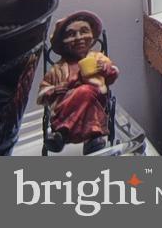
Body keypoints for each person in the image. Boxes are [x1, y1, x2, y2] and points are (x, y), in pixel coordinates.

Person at [38, 11, 116, 153]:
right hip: (65, 109)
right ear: (63, 42)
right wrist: (54, 90)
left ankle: (62, 132)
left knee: (86, 91)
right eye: (71, 34)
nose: (79, 38)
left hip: (96, 101)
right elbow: (41, 94)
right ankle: (92, 136)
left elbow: (113, 74)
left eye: (84, 31)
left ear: (92, 35)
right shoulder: (59, 68)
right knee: (85, 92)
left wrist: (105, 69)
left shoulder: (98, 59)